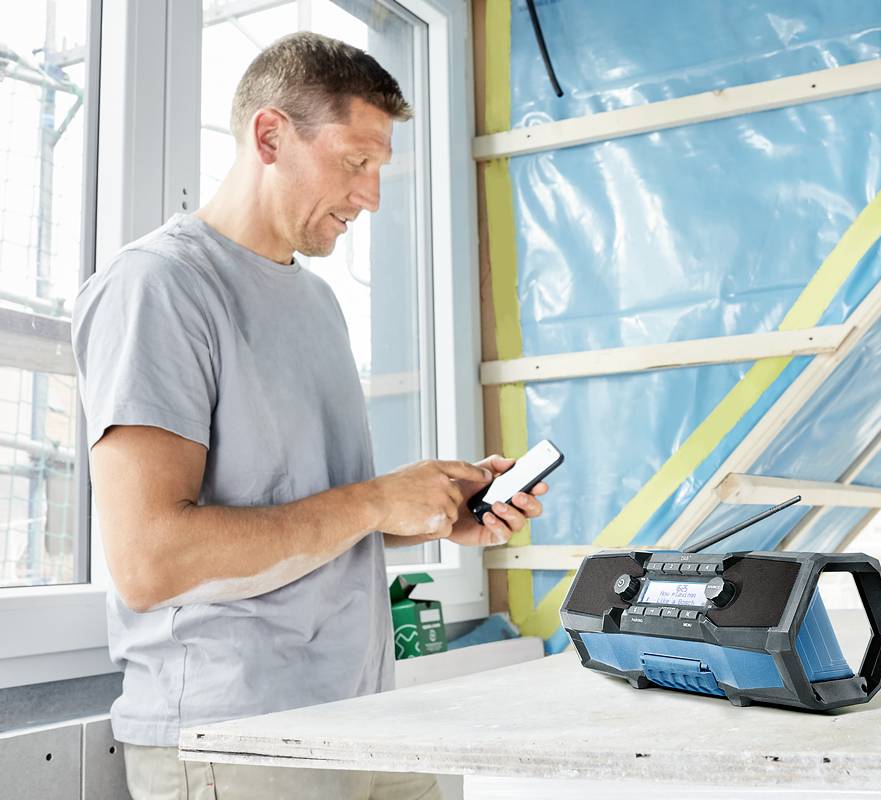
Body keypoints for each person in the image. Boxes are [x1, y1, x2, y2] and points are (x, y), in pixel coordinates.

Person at [71, 31, 545, 800]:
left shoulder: (318, 302)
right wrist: (373, 500)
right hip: (241, 740)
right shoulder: (159, 288)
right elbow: (151, 559)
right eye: (356, 163)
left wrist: (424, 513)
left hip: (369, 717)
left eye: (381, 170)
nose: (372, 197)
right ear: (270, 136)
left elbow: (298, 509)